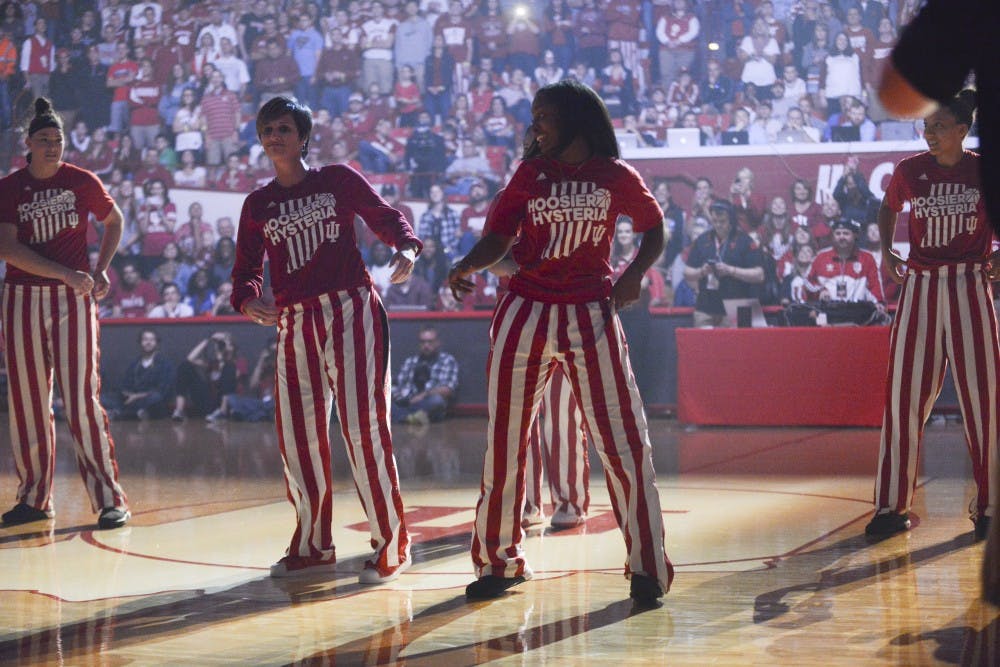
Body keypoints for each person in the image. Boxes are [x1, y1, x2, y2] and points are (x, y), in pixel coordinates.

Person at [447, 80, 673, 604]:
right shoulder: (530, 173)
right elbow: (498, 240)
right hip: (523, 310)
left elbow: (655, 228)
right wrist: (466, 265)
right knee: (504, 442)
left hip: (590, 311)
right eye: (534, 118)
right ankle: (497, 563)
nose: (535, 127)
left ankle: (648, 568)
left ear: (575, 119)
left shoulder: (615, 176)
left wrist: (634, 273)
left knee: (625, 443)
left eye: (544, 117)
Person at [230, 96, 419, 584]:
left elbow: (383, 215)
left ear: (304, 137)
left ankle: (392, 543)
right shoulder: (257, 204)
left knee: (364, 429)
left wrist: (407, 246)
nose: (275, 135)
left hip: (351, 310)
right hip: (293, 323)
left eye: (285, 128)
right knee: (298, 436)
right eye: (267, 128)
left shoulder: (335, 179)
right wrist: (248, 300)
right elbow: (246, 272)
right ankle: (314, 545)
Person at [874, 0, 1000, 607]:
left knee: (985, 402)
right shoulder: (909, 169)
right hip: (922, 285)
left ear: (961, 129)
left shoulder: (981, 170)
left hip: (972, 285)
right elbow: (886, 209)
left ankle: (990, 505)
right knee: (904, 398)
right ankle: (891, 505)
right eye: (925, 125)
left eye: (936, 125)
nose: (927, 131)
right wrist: (884, 253)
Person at [0, 98, 130, 530]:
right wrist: (68, 273)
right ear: (28, 145)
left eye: (58, 140)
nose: (53, 147)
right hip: (21, 296)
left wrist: (101, 268)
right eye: (44, 140)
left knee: (81, 399)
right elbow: (8, 249)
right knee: (28, 402)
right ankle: (35, 498)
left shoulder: (82, 181)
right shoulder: (9, 188)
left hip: (73, 301)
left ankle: (110, 499)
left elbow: (115, 220)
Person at [682, 200, 766, 327]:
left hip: (737, 305)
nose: (718, 225)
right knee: (702, 345)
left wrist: (731, 271)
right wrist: (702, 271)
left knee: (734, 346)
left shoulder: (744, 240)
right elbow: (687, 272)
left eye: (722, 222)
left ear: (731, 221)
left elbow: (759, 275)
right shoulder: (702, 239)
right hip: (705, 307)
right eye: (715, 221)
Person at [391, 325, 458, 424]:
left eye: (430, 342)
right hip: (407, 402)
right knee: (382, 400)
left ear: (438, 343)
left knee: (437, 401)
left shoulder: (447, 361)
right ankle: (410, 418)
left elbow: (448, 390)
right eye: (423, 342)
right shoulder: (410, 361)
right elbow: (399, 385)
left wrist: (423, 395)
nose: (426, 345)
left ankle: (403, 417)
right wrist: (396, 396)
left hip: (427, 402)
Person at [103, 329, 175, 420]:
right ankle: (134, 413)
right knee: (104, 398)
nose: (148, 342)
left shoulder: (164, 364)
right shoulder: (135, 363)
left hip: (149, 399)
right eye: (145, 339)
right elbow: (126, 384)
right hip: (131, 399)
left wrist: (137, 396)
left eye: (152, 340)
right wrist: (127, 394)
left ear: (157, 343)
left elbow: (163, 390)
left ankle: (120, 412)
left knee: (156, 398)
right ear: (140, 342)